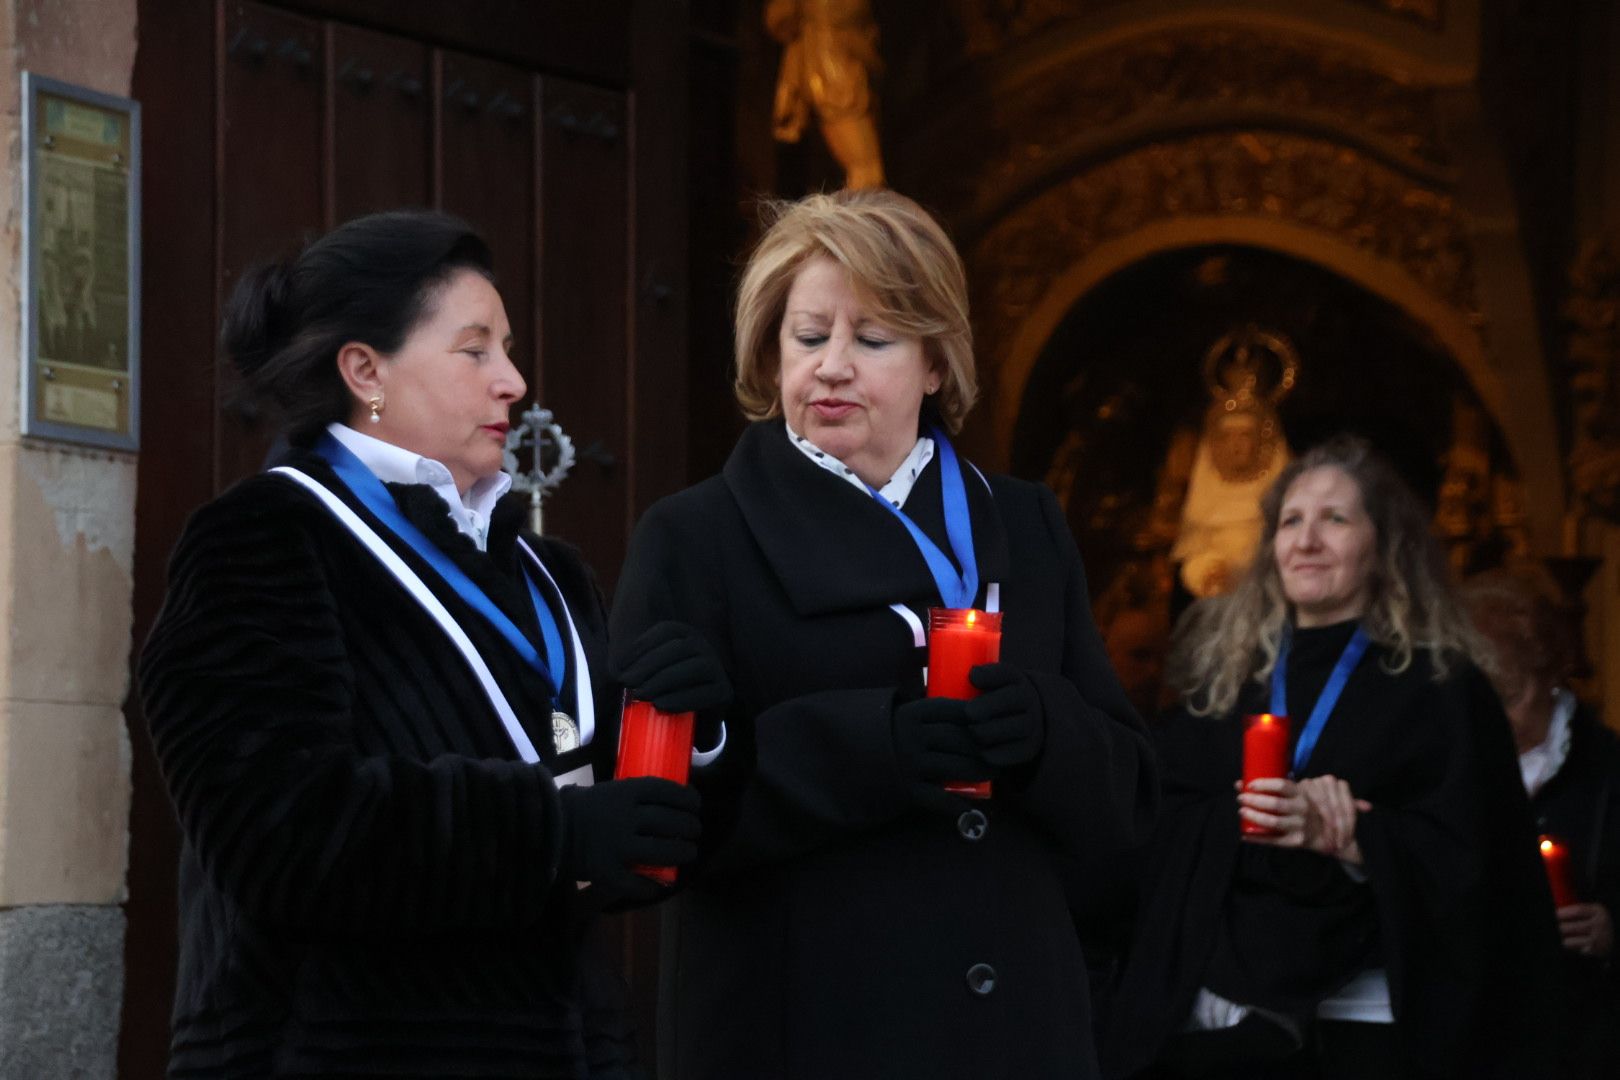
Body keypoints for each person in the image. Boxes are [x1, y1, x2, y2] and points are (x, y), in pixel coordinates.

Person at [138, 210, 727, 1078]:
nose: (515, 381)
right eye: (476, 349)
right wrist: (551, 835)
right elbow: (276, 832)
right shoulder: (262, 538)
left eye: (509, 348)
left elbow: (607, 830)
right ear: (366, 370)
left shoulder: (547, 570)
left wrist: (692, 741)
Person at [609, 188, 1157, 1080]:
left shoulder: (1024, 524)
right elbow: (654, 826)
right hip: (808, 1027)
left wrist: (1045, 733)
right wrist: (872, 746)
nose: (831, 367)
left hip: (1018, 1031)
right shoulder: (695, 536)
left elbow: (1131, 802)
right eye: (808, 335)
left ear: (936, 363)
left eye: (872, 341)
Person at [1103, 435, 1561, 1080]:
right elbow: (1150, 824)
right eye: (1291, 521)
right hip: (1223, 1015)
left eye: (1335, 519)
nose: (1307, 540)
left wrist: (1355, 841)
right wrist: (1237, 818)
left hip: (1374, 1022)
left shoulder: (1443, 690)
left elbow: (1486, 862)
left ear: (1384, 547)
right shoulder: (1224, 683)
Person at [1461, 569, 1620, 1078]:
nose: (1495, 722)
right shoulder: (1455, 768)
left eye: (1509, 697)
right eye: (1479, 705)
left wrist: (1612, 928)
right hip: (1481, 1036)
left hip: (1584, 1038)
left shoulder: (1607, 767)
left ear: (1550, 673)